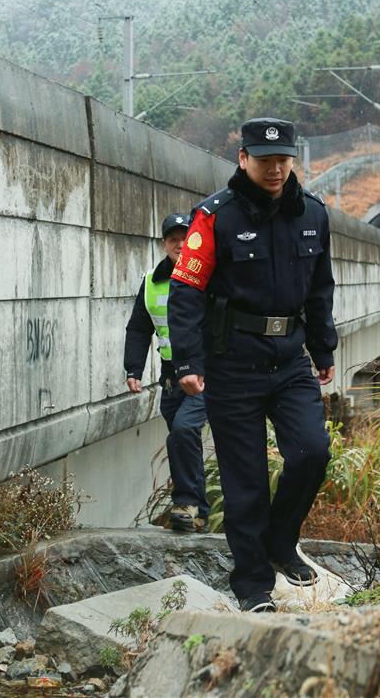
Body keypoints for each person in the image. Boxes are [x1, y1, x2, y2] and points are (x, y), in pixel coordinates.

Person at [168, 118, 337, 612]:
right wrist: (188, 363)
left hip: (289, 360)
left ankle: (281, 542)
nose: (275, 168)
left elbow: (320, 287)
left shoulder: (312, 214)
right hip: (231, 363)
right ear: (243, 158)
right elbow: (186, 291)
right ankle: (253, 586)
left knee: (312, 452)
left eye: (283, 159)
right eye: (265, 160)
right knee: (246, 481)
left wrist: (323, 350)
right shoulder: (213, 217)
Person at [124, 213, 210, 533]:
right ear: (164, 243)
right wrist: (133, 368)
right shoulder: (151, 281)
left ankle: (186, 501)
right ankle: (197, 510)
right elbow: (138, 327)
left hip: (203, 373)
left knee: (184, 431)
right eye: (172, 238)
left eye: (185, 237)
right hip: (171, 377)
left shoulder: (208, 275)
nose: (179, 243)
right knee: (182, 439)